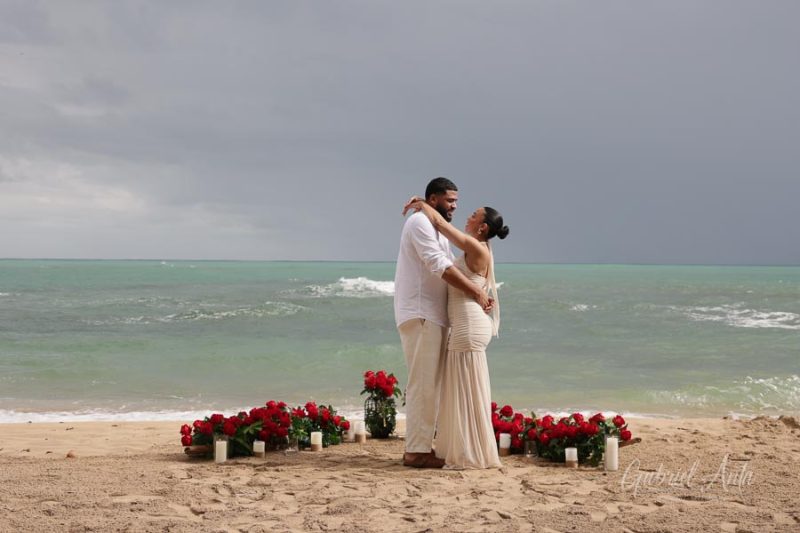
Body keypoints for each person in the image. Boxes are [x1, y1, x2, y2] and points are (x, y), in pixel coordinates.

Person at [403, 197, 509, 469]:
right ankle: (466, 447)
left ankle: (469, 451)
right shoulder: (476, 249)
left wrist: (422, 203)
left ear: (483, 227)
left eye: (474, 214)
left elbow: (440, 224)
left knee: (464, 388)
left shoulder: (475, 246)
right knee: (464, 388)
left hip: (468, 327)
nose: (467, 216)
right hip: (467, 323)